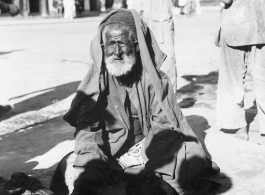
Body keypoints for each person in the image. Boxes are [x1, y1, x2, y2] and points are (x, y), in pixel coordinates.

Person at [50, 9, 219, 195]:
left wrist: (150, 165)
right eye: (110, 44)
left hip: (148, 151)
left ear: (136, 46)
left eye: (122, 43)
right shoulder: (95, 82)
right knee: (71, 166)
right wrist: (91, 166)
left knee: (188, 155)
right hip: (108, 154)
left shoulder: (156, 80)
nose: (116, 52)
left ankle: (142, 180)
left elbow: (164, 128)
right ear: (102, 46)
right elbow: (88, 131)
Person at [216, 0, 265, 140]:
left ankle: (238, 125)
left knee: (232, 78)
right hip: (261, 23)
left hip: (236, 24)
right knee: (262, 76)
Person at [133, 0, 178, 93]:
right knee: (141, 57)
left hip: (159, 10)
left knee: (165, 60)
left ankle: (168, 102)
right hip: (141, 6)